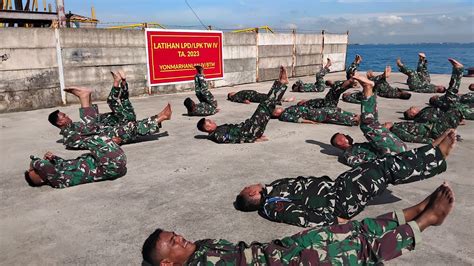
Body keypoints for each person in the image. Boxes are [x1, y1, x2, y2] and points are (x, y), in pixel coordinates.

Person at [142, 182, 455, 265]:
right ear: (168, 264)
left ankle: (412, 212)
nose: (180, 238)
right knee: (359, 252)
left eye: (175, 234)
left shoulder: (201, 246)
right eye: (173, 242)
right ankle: (426, 221)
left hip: (281, 250)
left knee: (348, 230)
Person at [234, 129, 455, 228]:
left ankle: (430, 153)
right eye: (247, 187)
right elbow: (303, 217)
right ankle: (436, 157)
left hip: (338, 186)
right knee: (384, 169)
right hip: (341, 199)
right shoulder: (274, 205)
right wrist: (335, 221)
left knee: (379, 163)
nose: (249, 184)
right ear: (253, 193)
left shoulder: (272, 192)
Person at [49, 85, 171, 150]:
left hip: (105, 131)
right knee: (130, 128)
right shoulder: (69, 137)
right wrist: (108, 142)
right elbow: (87, 142)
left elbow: (93, 123)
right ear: (59, 123)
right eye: (64, 116)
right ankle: (162, 117)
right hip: (108, 137)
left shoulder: (72, 127)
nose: (67, 116)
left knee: (127, 125)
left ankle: (160, 117)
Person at [197, 66, 289, 144]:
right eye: (209, 122)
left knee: (266, 106)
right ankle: (281, 83)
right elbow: (234, 139)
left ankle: (281, 83)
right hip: (250, 131)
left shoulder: (216, 131)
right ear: (208, 127)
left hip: (249, 127)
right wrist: (253, 139)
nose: (212, 121)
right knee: (265, 106)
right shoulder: (218, 135)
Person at [331, 74, 407, 167]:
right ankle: (368, 87)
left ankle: (370, 89)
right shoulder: (348, 154)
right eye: (344, 136)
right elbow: (364, 166)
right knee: (366, 124)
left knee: (373, 122)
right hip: (393, 156)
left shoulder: (356, 147)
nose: (347, 135)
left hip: (396, 147)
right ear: (340, 142)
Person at [24, 134, 127, 189]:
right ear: (41, 181)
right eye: (37, 171)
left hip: (109, 162)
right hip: (111, 167)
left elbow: (63, 163)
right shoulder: (56, 181)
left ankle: (112, 143)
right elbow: (42, 164)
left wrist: (53, 158)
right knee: (95, 138)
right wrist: (33, 164)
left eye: (36, 170)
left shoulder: (58, 172)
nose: (39, 169)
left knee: (101, 137)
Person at [342, 66, 412, 104]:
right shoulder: (397, 92)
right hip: (378, 90)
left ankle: (379, 76)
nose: (347, 92)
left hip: (378, 90)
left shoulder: (395, 94)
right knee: (378, 82)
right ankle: (379, 76)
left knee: (377, 82)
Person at [272, 104, 359, 126]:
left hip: (312, 111)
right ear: (276, 114)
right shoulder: (284, 115)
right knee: (332, 114)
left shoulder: (286, 110)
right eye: (277, 109)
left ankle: (354, 115)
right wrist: (309, 122)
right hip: (312, 115)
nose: (279, 107)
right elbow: (297, 120)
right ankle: (353, 120)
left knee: (334, 110)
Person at [227, 90, 294, 104]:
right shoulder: (234, 97)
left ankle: (282, 99)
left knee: (268, 96)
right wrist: (244, 101)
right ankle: (284, 99)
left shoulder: (237, 93)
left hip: (255, 94)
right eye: (231, 92)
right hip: (253, 96)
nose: (233, 91)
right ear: (230, 95)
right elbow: (237, 99)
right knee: (267, 98)